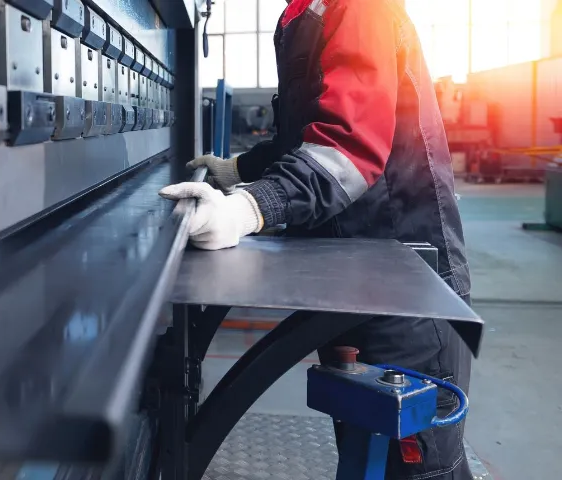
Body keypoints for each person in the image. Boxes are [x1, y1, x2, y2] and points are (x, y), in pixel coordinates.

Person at [159, 0, 473, 478]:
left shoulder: (358, 8)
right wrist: (240, 169)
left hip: (405, 281)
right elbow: (302, 138)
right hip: (348, 272)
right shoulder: (300, 16)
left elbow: (348, 148)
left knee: (416, 464)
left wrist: (250, 207)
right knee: (360, 446)